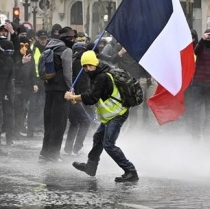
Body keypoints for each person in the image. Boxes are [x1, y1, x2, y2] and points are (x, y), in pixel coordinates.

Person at [65, 50, 138, 182]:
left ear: (95, 63)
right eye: (85, 66)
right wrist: (77, 97)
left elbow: (92, 97)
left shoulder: (102, 77)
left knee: (108, 144)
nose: (88, 69)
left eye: (90, 65)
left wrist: (73, 97)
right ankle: (91, 167)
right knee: (98, 138)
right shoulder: (97, 75)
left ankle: (130, 171)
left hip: (117, 114)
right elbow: (93, 94)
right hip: (110, 116)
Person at [38, 29, 73, 162]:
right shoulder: (66, 51)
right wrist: (71, 88)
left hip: (49, 89)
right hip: (61, 91)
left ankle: (44, 152)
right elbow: (67, 73)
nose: (73, 39)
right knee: (59, 123)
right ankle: (54, 154)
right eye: (71, 37)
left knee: (49, 122)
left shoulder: (48, 47)